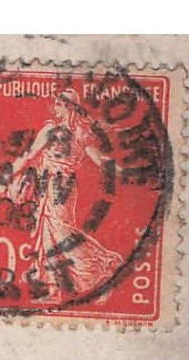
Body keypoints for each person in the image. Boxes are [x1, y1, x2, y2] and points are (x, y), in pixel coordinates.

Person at [7, 88, 123, 303]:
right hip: (46, 185)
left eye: (59, 104)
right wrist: (9, 174)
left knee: (61, 232)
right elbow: (30, 155)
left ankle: (104, 267)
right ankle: (54, 289)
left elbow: (100, 161)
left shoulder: (80, 134)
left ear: (68, 106)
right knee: (46, 234)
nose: (55, 108)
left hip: (61, 188)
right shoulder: (53, 130)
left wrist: (123, 172)